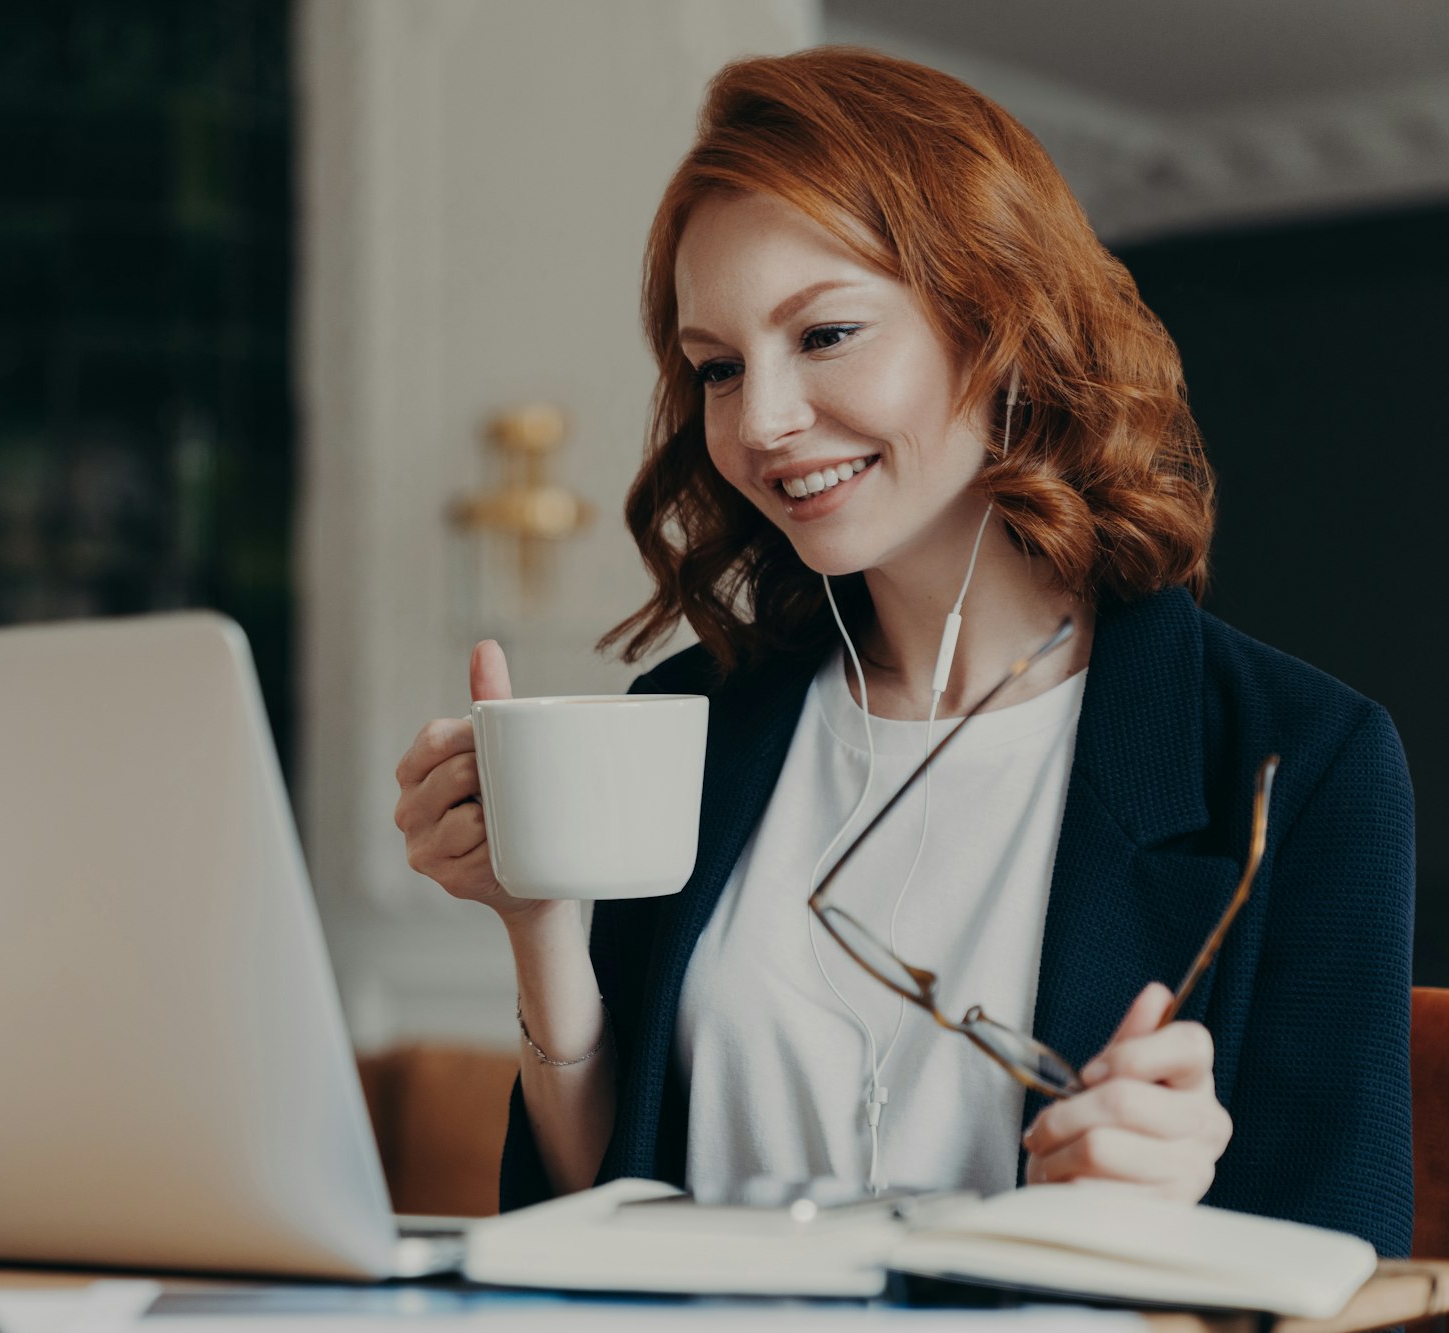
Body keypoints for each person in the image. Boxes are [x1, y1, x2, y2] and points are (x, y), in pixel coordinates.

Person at [391, 47, 1415, 1256]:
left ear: (1000, 325)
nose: (760, 422)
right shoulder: (688, 727)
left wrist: (1173, 1216)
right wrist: (540, 928)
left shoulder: (1302, 761)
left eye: (822, 333)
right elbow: (582, 1221)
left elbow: (1347, 1267)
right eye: (716, 367)